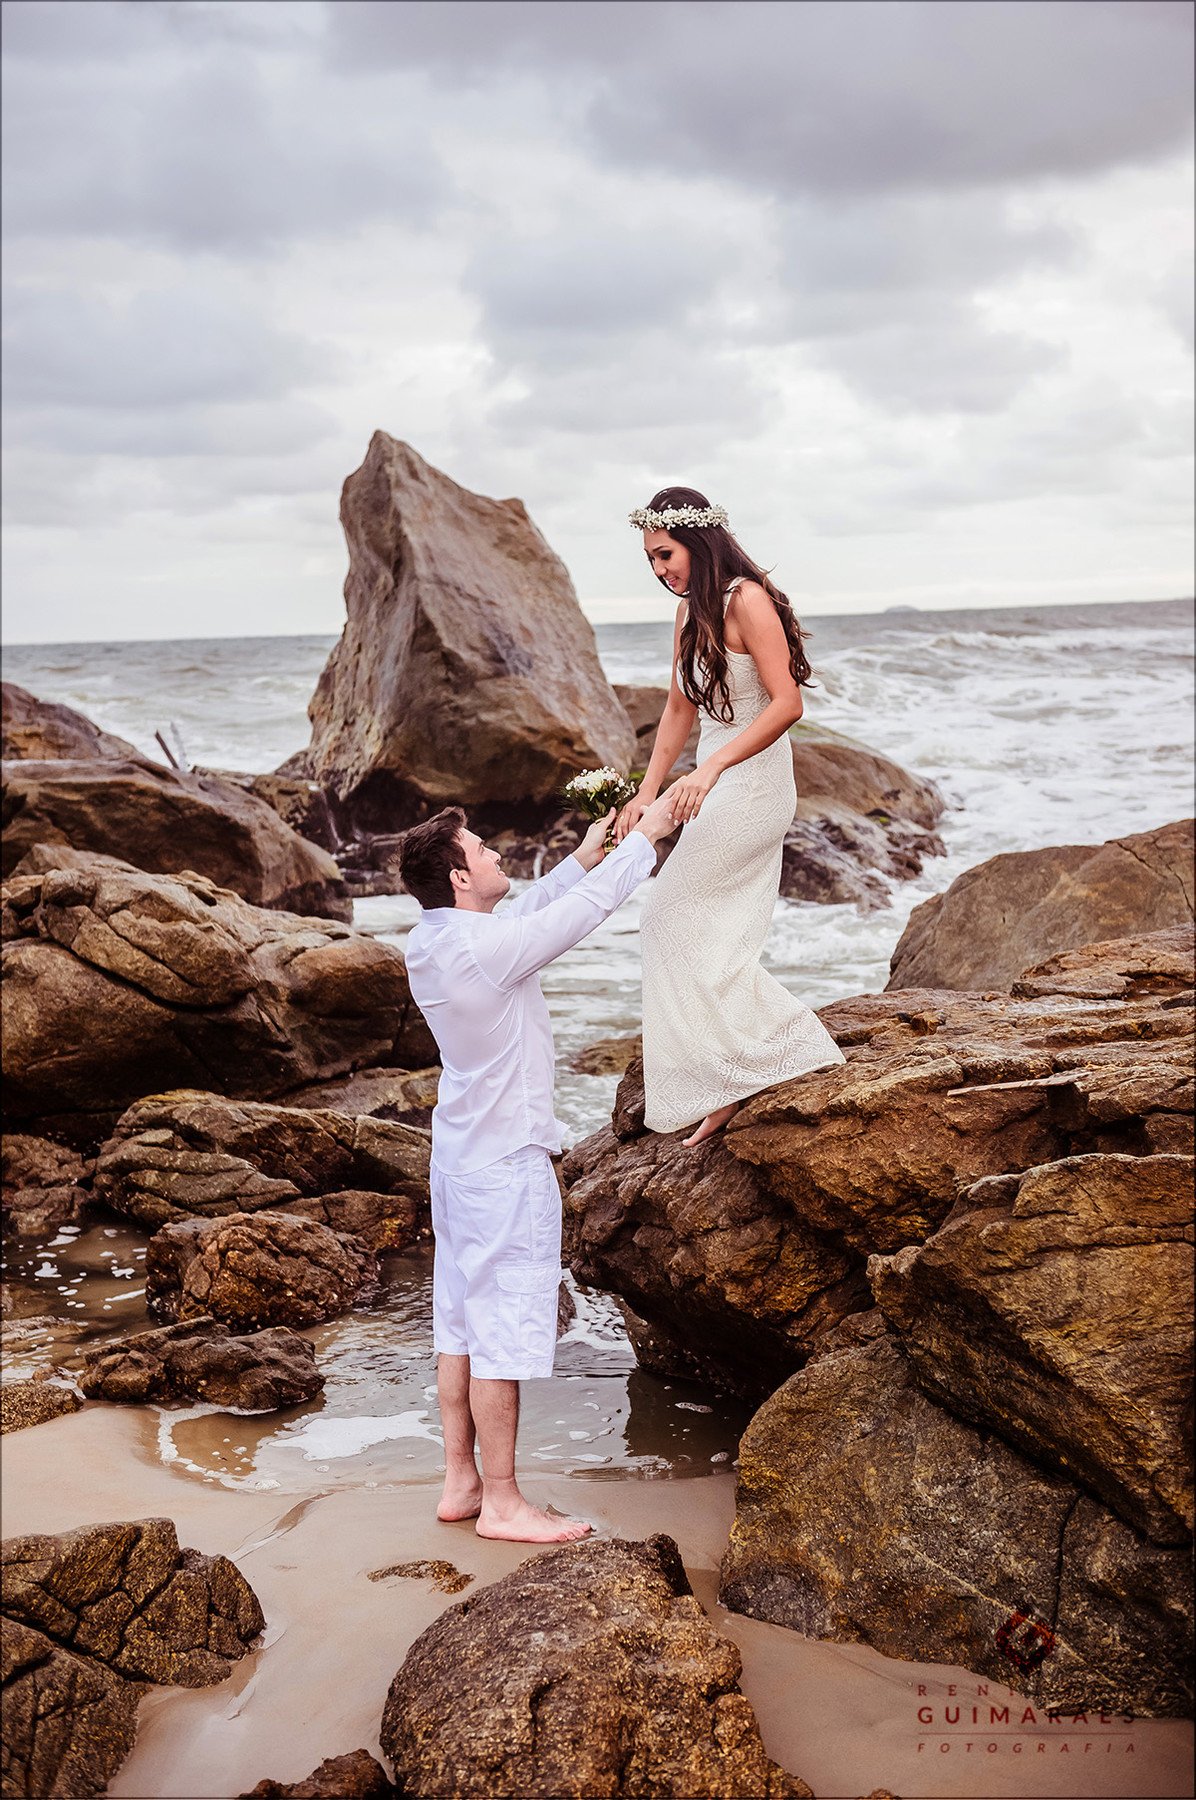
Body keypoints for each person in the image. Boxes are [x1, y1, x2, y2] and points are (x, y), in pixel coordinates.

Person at [399, 794, 678, 1542]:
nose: (494, 853)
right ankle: (503, 1503)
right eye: (480, 849)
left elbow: (530, 918)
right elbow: (577, 917)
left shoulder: (433, 939)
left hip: (459, 1160)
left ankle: (461, 1481)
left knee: (459, 1323)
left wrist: (586, 854)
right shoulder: (487, 949)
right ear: (459, 878)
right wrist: (644, 841)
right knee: (496, 1332)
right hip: (504, 1165)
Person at [615, 486, 845, 1145]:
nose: (659, 569)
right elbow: (678, 710)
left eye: (665, 554)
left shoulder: (747, 599)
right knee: (690, 926)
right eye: (651, 559)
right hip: (716, 782)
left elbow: (787, 703)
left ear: (698, 541)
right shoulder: (690, 613)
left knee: (668, 917)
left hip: (752, 784)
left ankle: (769, 1054)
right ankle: (728, 1072)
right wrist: (646, 791)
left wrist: (709, 768)